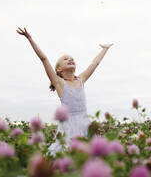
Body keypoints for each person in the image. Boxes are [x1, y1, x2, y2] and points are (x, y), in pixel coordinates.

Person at [16, 27, 113, 156]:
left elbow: (95, 63)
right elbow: (44, 58)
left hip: (85, 123)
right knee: (68, 154)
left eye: (72, 58)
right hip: (69, 126)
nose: (70, 59)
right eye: (66, 59)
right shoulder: (59, 83)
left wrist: (105, 49)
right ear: (59, 69)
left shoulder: (81, 79)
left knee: (88, 155)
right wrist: (30, 39)